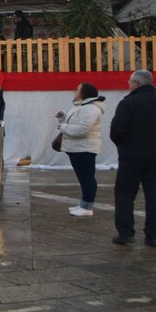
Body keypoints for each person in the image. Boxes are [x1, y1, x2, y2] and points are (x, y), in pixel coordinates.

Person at [109, 70, 156, 247]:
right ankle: (154, 235)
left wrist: (123, 146)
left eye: (130, 82)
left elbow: (117, 131)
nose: (128, 84)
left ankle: (126, 233)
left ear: (136, 84)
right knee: (154, 195)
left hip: (131, 156)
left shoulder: (128, 103)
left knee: (125, 193)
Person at [55, 83, 106, 217]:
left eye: (77, 89)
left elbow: (82, 130)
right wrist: (62, 118)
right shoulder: (81, 107)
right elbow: (74, 123)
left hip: (85, 148)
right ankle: (83, 204)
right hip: (76, 148)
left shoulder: (91, 109)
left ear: (84, 93)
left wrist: (63, 127)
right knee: (83, 177)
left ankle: (87, 207)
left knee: (87, 177)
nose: (75, 91)